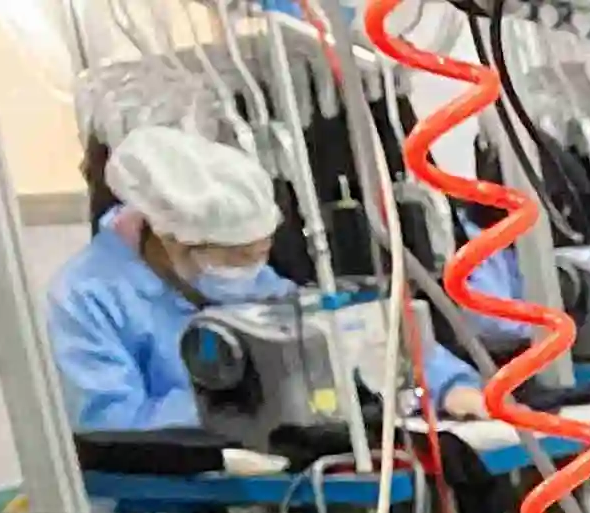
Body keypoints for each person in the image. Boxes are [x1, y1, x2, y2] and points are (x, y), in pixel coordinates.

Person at [49, 125, 482, 433]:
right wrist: (238, 402)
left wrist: (446, 385)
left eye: (260, 253)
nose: (251, 270)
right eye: (238, 256)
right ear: (172, 239)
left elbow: (328, 334)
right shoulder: (87, 298)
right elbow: (109, 425)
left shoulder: (251, 281)